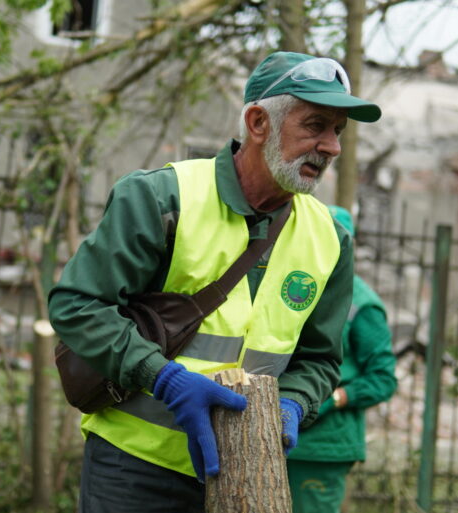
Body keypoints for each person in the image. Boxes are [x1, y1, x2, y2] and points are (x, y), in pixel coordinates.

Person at [48, 51, 382, 513]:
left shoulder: (332, 239)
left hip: (247, 474)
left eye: (338, 131)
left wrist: (294, 406)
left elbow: (320, 361)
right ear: (258, 122)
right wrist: (164, 379)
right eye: (315, 125)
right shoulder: (160, 197)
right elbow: (77, 307)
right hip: (132, 466)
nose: (332, 147)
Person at [285, 205, 398, 513]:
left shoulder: (363, 304)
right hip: (278, 437)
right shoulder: (298, 285)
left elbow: (383, 379)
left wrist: (335, 398)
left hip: (323, 448)